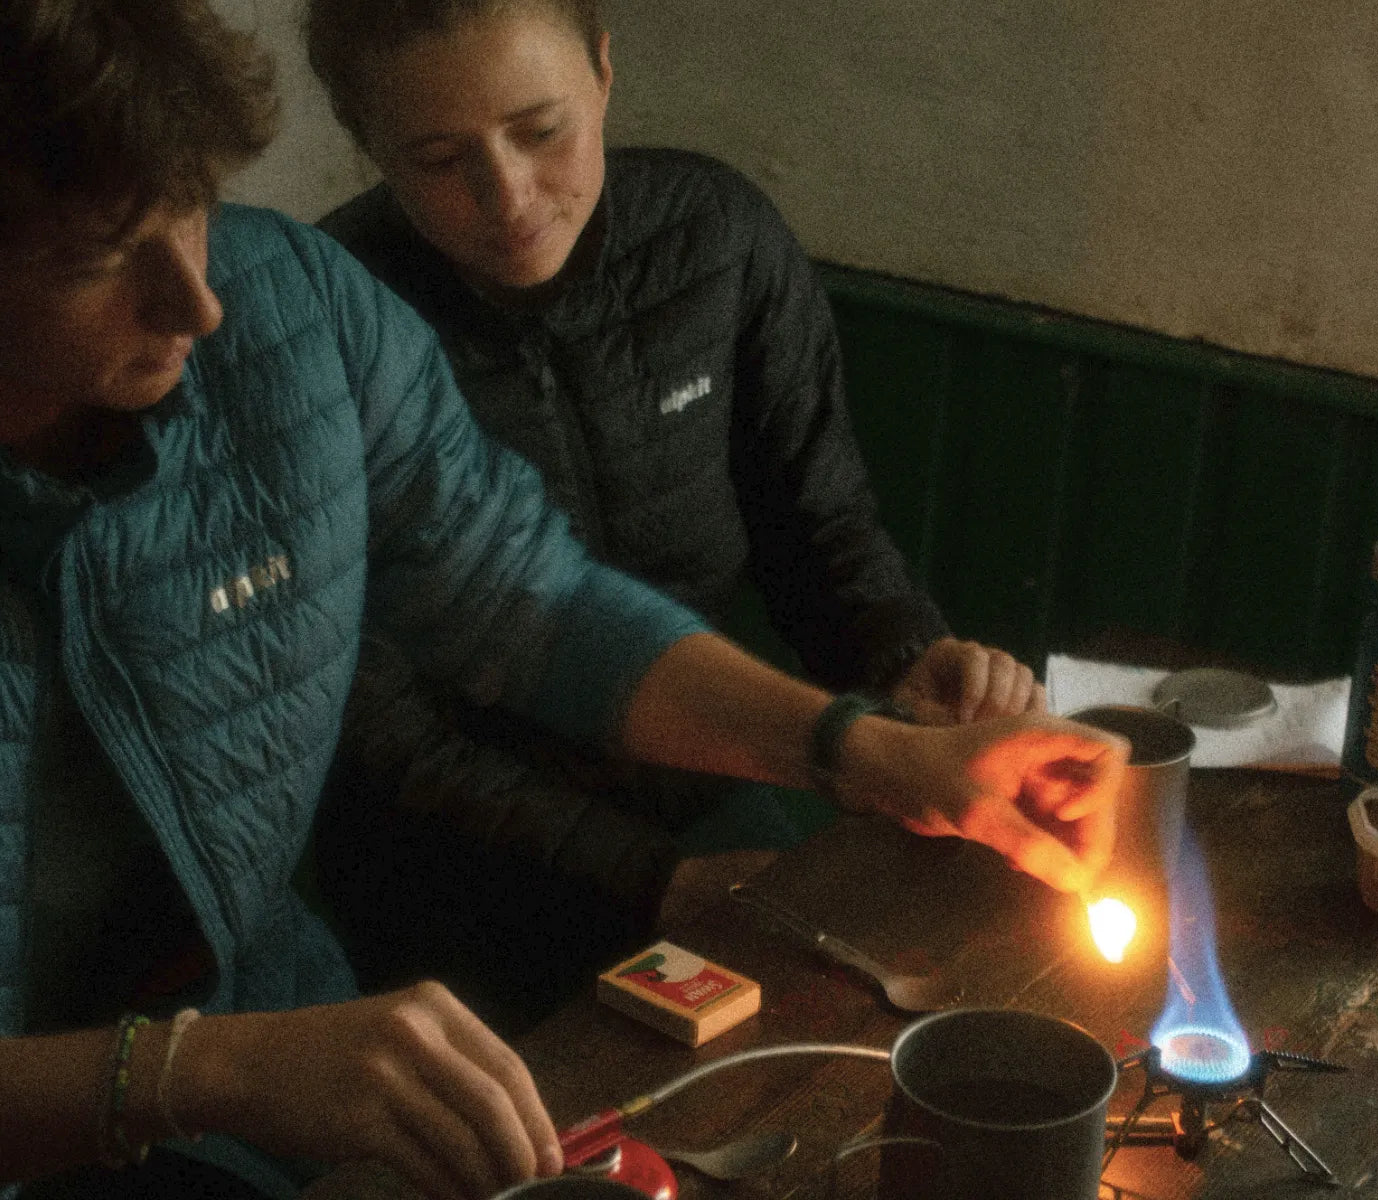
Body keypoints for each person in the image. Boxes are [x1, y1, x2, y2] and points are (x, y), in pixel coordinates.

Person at [0, 1, 1125, 1197]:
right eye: (96, 259)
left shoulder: (294, 307)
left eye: (192, 209)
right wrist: (196, 1074)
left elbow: (527, 602)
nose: (196, 303)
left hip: (269, 1028)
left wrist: (871, 752)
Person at [303, 0, 1048, 1023]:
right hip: (450, 866)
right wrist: (649, 879)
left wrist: (908, 659)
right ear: (364, 136)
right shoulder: (326, 323)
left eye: (541, 130)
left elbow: (820, 531)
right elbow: (377, 729)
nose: (508, 195)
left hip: (707, 784)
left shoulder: (714, 239)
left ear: (604, 72)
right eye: (438, 158)